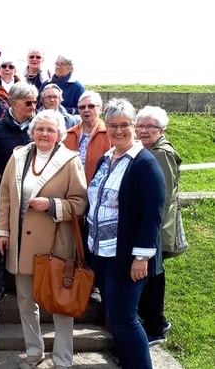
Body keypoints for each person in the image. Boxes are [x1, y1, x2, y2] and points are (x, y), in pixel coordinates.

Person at [0, 109, 88, 369]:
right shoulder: (18, 155)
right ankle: (34, 353)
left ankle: (62, 360)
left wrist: (52, 204)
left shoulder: (70, 160)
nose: (44, 133)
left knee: (60, 305)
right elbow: (4, 196)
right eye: (40, 129)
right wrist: (2, 230)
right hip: (21, 245)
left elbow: (80, 204)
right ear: (32, 131)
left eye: (50, 130)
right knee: (26, 302)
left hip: (55, 246)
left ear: (59, 134)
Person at [86, 98, 165, 369]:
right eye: (112, 126)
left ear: (133, 126)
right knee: (115, 315)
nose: (118, 131)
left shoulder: (144, 163)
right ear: (105, 127)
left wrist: (141, 258)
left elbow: (152, 214)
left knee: (125, 318)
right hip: (104, 253)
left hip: (129, 258)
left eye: (124, 125)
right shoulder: (106, 158)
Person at [136, 105, 181, 346]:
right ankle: (155, 321)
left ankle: (155, 326)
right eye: (140, 126)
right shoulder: (148, 149)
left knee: (152, 276)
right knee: (152, 275)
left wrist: (150, 230)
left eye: (149, 127)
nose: (143, 131)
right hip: (150, 226)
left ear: (161, 130)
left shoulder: (160, 154)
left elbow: (159, 199)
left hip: (155, 227)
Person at [63, 91, 111, 303]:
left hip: (99, 197)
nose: (86, 111)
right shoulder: (70, 134)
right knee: (74, 238)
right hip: (72, 196)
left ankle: (95, 284)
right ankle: (73, 277)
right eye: (82, 107)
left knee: (95, 240)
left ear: (100, 109)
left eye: (91, 106)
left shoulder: (109, 134)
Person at [0, 82, 37, 200]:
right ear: (14, 103)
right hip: (5, 187)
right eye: (28, 103)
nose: (33, 107)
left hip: (33, 189)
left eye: (35, 102)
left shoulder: (40, 126)